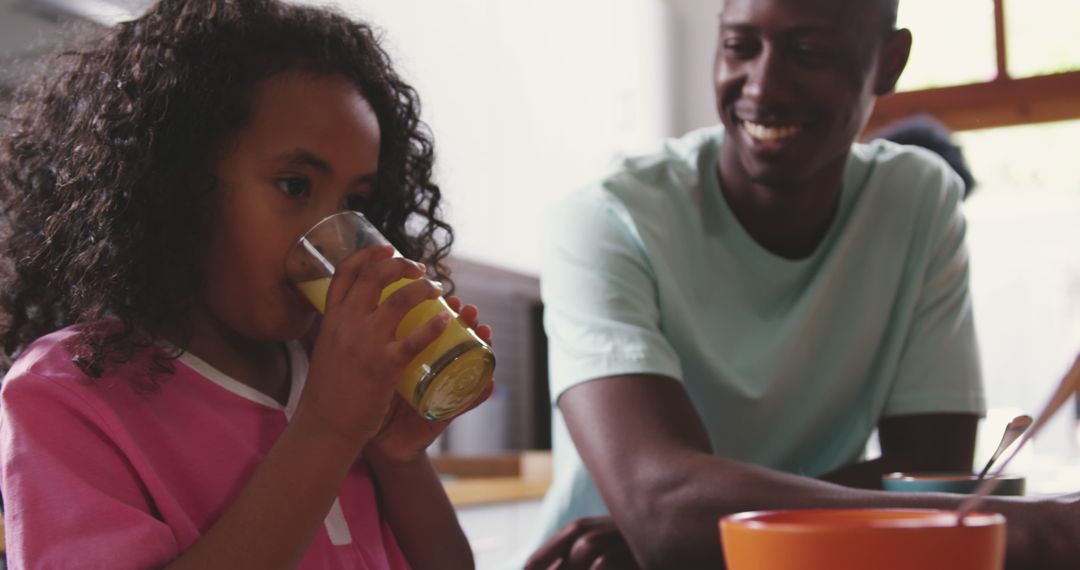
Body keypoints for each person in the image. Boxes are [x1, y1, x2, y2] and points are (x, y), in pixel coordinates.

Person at [519, 0, 1079, 568]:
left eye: (809, 52)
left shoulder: (916, 202)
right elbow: (663, 506)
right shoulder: (606, 219)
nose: (762, 87)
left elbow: (930, 471)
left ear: (889, 62)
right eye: (740, 47)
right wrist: (1045, 530)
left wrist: (705, 520)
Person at [0, 0, 491, 567]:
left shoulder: (333, 367)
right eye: (294, 185)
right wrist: (327, 430)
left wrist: (396, 458)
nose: (334, 235)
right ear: (178, 184)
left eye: (356, 203)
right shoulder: (67, 390)